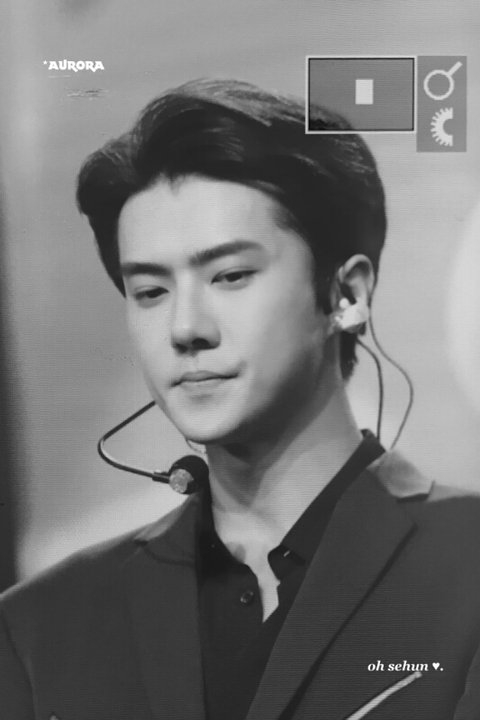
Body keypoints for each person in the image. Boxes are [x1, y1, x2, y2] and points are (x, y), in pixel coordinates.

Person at [1, 78, 480, 720]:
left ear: (347, 295)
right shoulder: (40, 628)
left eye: (229, 276)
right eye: (150, 291)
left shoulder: (467, 564)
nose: (185, 328)